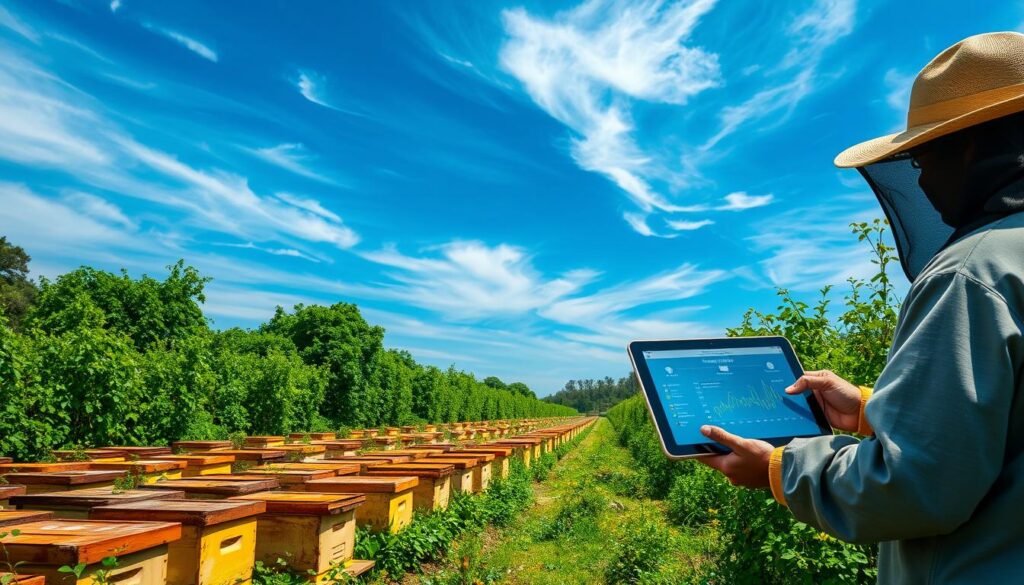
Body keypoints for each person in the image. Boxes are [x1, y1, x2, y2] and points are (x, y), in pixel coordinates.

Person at [697, 32, 1024, 584]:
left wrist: (778, 467)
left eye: (923, 155)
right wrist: (874, 411)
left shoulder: (976, 270)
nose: (918, 176)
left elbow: (915, 484)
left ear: (972, 148)